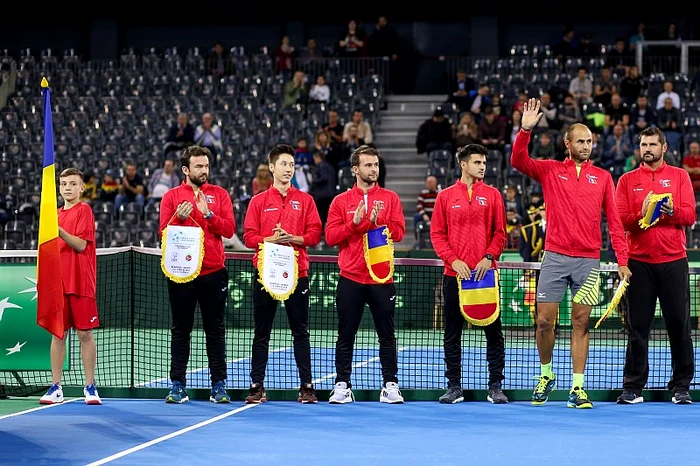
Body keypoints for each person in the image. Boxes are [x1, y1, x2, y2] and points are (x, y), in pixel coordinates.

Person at [511, 98, 632, 408]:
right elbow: (518, 161)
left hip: (589, 260)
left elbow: (615, 223)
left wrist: (622, 260)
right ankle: (546, 375)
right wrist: (525, 130)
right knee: (544, 322)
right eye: (580, 140)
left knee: (581, 323)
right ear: (567, 143)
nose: (586, 145)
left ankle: (577, 387)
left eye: (590, 141)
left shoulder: (604, 177)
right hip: (554, 257)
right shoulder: (550, 171)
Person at [615, 126, 695, 404]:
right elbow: (621, 220)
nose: (647, 149)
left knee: (679, 324)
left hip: (674, 261)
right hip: (639, 264)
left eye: (652, 144)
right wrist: (644, 211)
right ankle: (633, 387)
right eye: (643, 144)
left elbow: (690, 215)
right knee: (637, 327)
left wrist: (669, 211)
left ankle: (681, 386)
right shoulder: (626, 180)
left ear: (664, 148)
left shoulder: (680, 176)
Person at [325, 145, 406, 403]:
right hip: (350, 278)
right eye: (368, 165)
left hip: (382, 279)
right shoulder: (340, 202)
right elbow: (330, 237)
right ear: (355, 169)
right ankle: (342, 385)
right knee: (346, 334)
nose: (374, 169)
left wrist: (375, 222)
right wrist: (354, 223)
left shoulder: (391, 198)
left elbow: (400, 232)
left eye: (376, 165)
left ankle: (390, 385)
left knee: (387, 335)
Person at [243, 144, 323, 404]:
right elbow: (248, 237)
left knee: (300, 331)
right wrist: (269, 239)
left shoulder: (306, 200)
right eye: (284, 164)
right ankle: (257, 386)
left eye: (292, 165)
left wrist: (293, 238)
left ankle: (307, 387)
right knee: (261, 332)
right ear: (272, 167)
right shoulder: (258, 201)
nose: (288, 169)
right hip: (265, 274)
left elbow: (314, 234)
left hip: (297, 273)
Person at [430, 144, 508, 404]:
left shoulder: (494, 195)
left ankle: (495, 386)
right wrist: (453, 260)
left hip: (486, 277)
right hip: (455, 277)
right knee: (452, 334)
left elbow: (500, 233)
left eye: (484, 162)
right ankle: (454, 386)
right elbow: (437, 235)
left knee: (494, 334)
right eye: (477, 162)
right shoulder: (445, 197)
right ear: (463, 164)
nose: (483, 166)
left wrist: (489, 257)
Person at [158, 146, 235, 404]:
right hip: (182, 274)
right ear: (186, 169)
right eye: (199, 166)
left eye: (206, 166)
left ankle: (219, 385)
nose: (204, 170)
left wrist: (208, 214)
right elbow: (163, 234)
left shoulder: (220, 195)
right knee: (181, 330)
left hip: (214, 272)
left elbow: (229, 229)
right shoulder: (171, 197)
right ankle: (178, 385)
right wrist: (178, 220)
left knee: (215, 331)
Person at [40, 168, 101, 405]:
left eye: (72, 184)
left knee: (85, 334)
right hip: (59, 283)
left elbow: (79, 245)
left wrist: (59, 229)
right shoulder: (53, 214)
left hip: (81, 281)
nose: (67, 188)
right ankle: (56, 387)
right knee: (58, 334)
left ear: (81, 188)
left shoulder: (84, 210)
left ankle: (90, 387)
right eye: (63, 183)